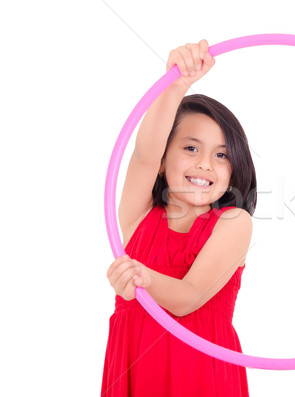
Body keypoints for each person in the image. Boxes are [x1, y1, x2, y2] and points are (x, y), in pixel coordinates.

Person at [102, 39, 256, 396]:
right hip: (135, 372)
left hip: (202, 378)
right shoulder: (138, 215)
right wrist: (175, 86)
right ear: (162, 159)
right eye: (191, 148)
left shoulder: (234, 223)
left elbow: (188, 297)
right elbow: (142, 153)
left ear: (234, 171)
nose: (205, 163)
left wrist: (141, 277)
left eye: (221, 155)